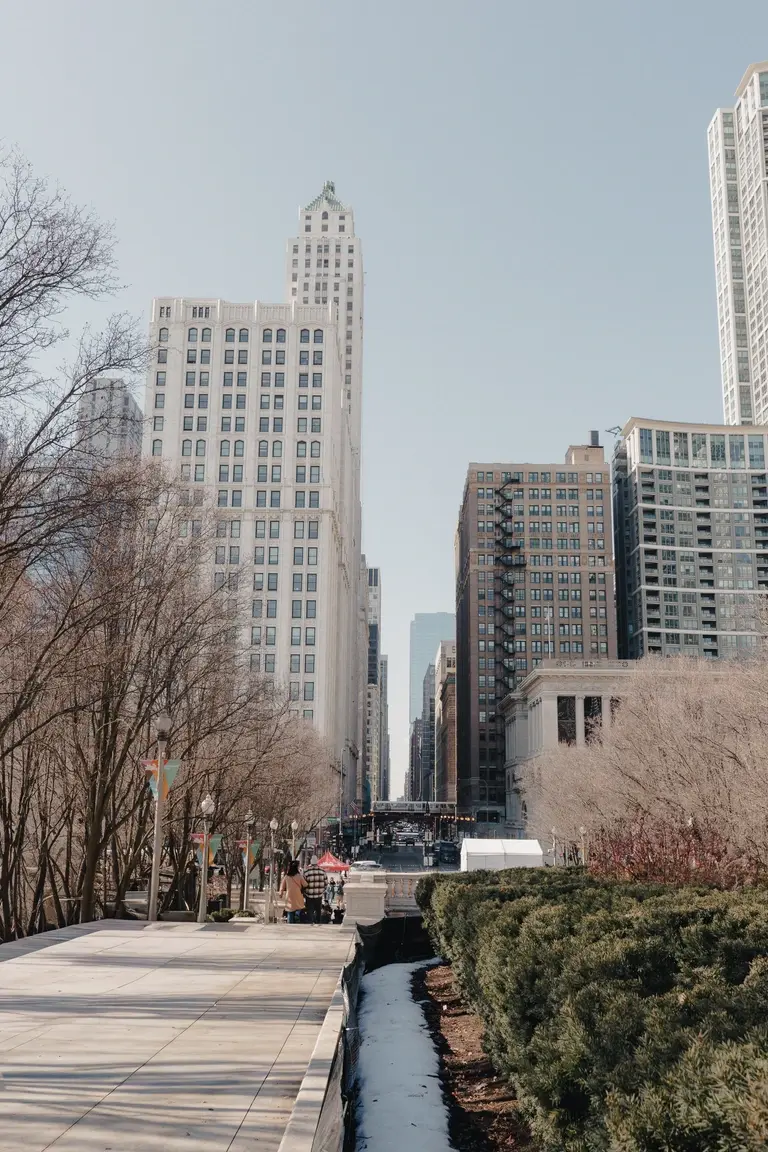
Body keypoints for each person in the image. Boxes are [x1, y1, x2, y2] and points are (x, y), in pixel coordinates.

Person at [302, 855, 327, 925]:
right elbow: (326, 883)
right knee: (318, 910)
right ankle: (318, 922)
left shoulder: (306, 871)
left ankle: (310, 922)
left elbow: (303, 884)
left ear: (311, 862)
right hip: (319, 895)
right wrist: (321, 890)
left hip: (309, 895)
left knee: (310, 910)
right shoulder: (322, 871)